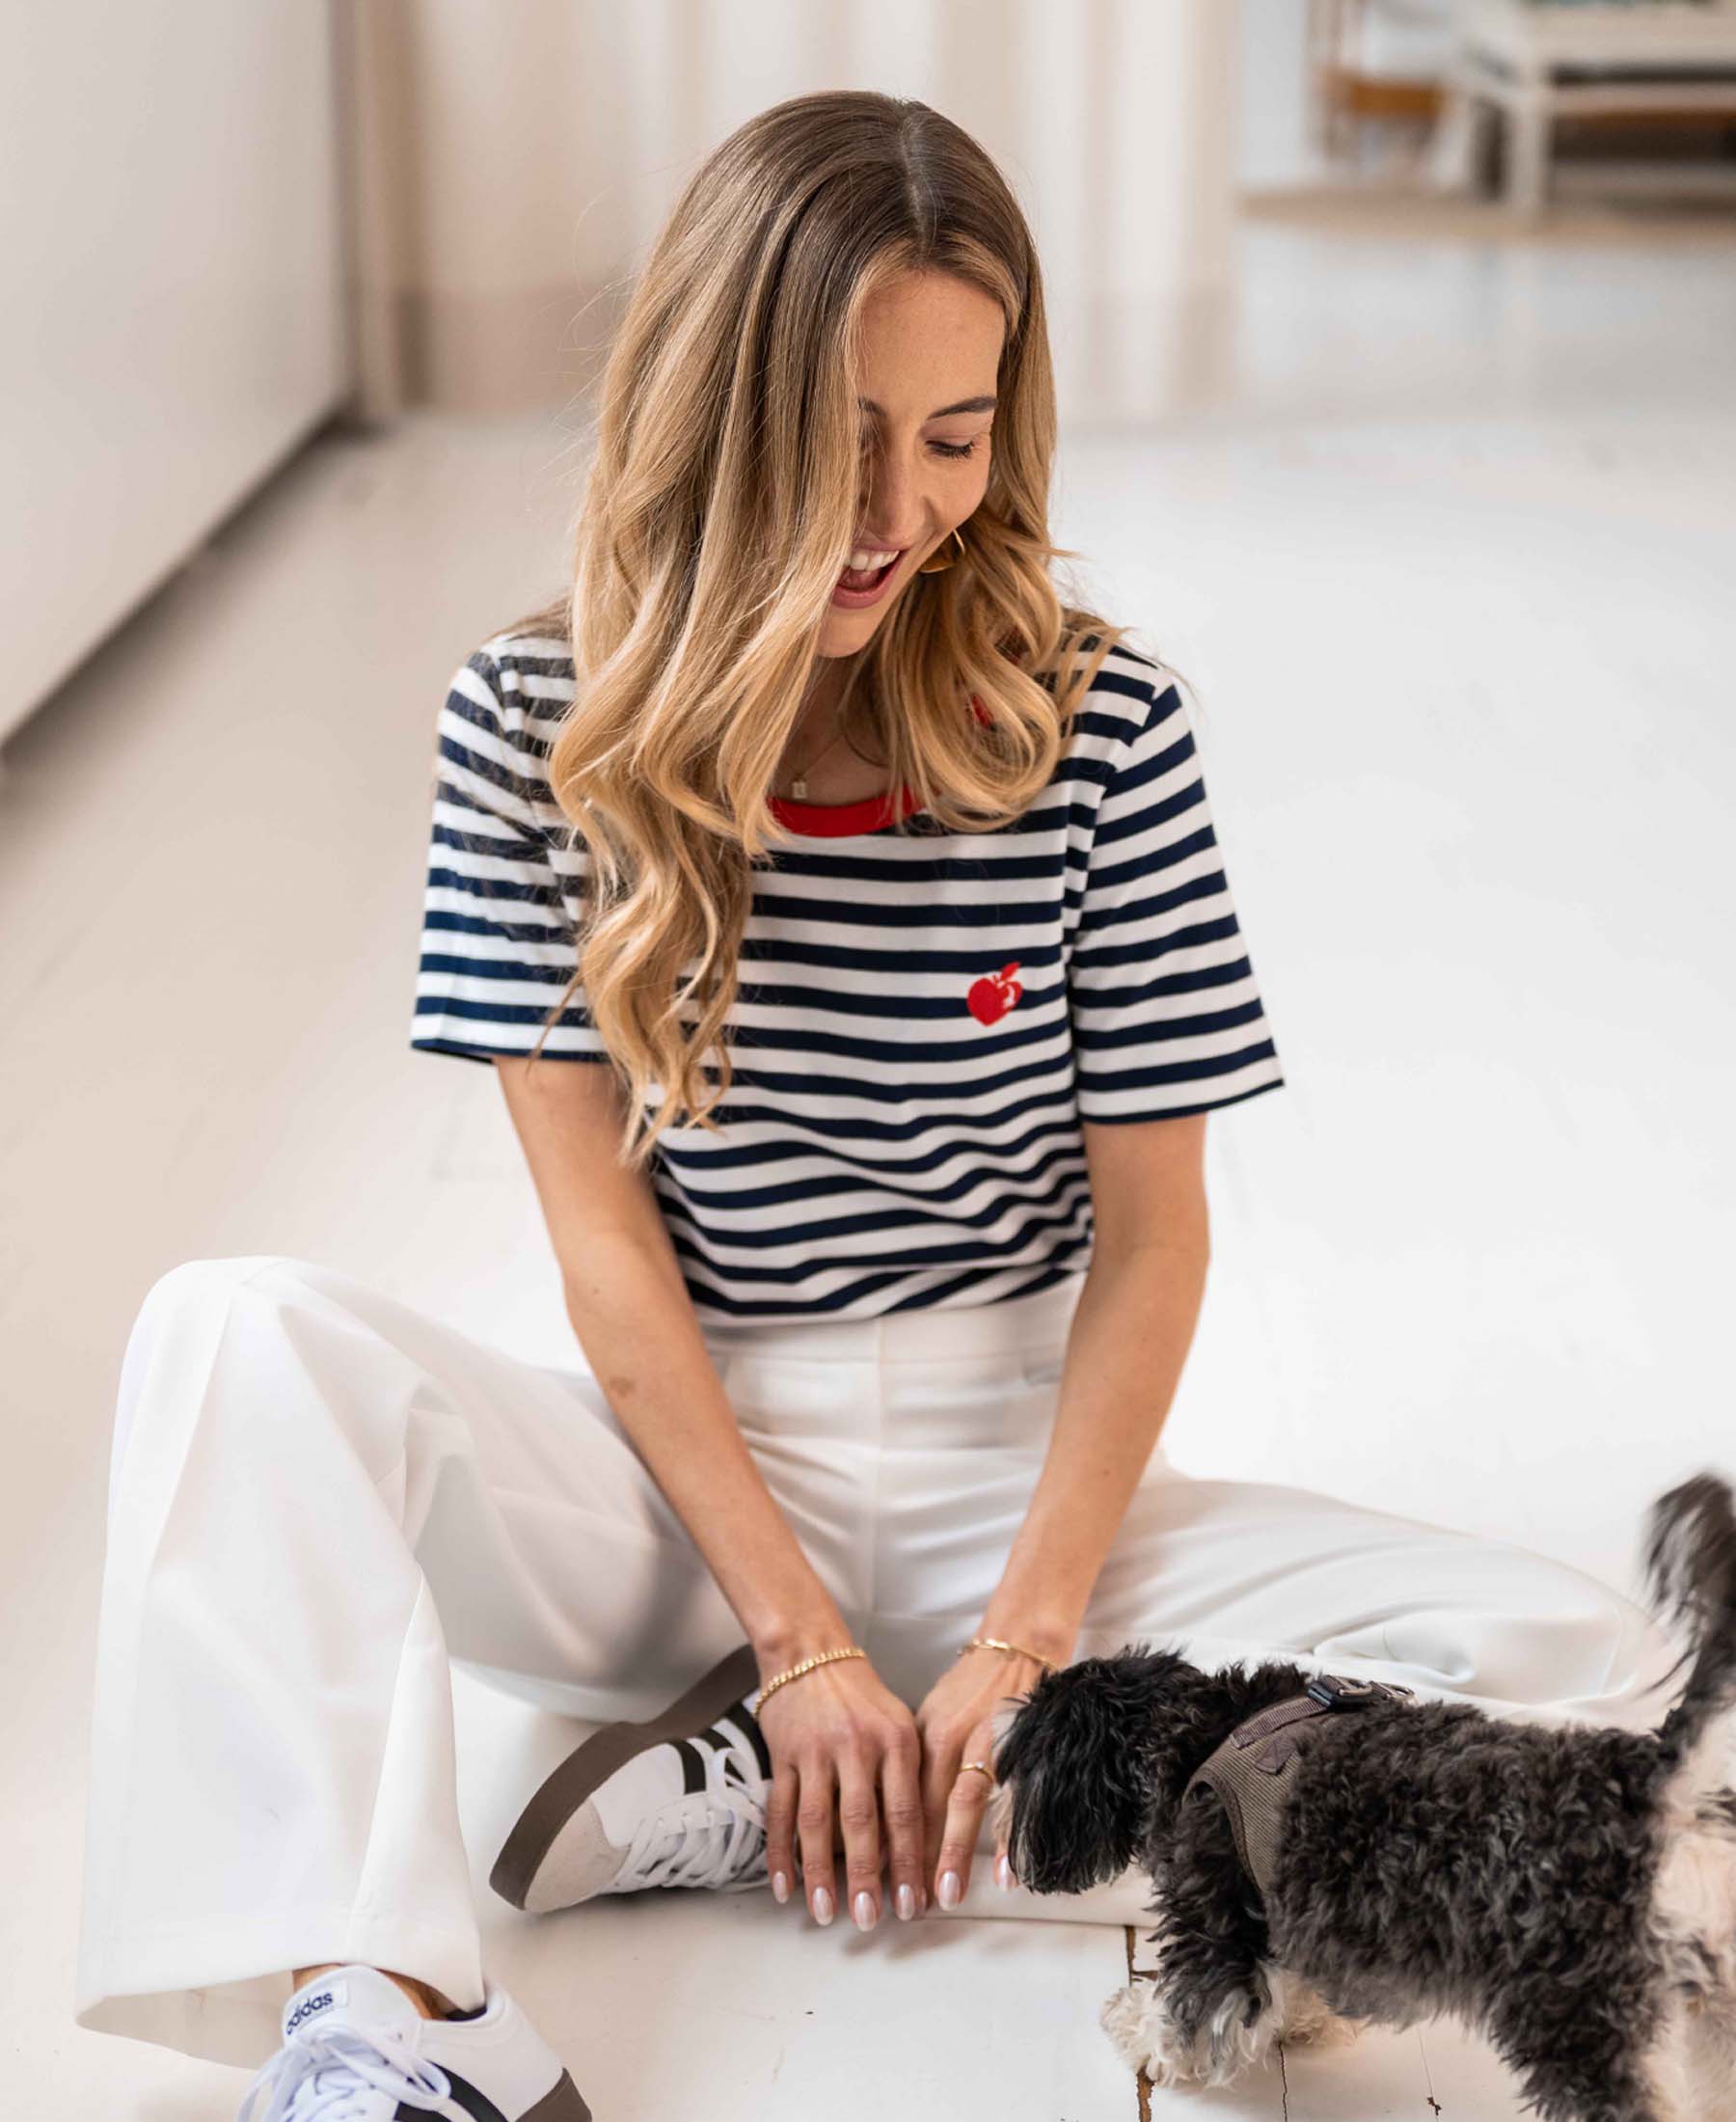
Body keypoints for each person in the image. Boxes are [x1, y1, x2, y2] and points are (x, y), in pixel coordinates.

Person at [73, 88, 1681, 2120]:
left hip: (1019, 1483)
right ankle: (398, 2008)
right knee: (231, 1333)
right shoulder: (526, 725)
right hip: (682, 1488)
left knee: (1600, 1672)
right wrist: (802, 1635)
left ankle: (822, 1792)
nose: (897, 505)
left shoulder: (1106, 725)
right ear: (713, 402)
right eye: (841, 434)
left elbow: (1157, 1234)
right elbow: (600, 1246)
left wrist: (1018, 1638)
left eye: (952, 430)